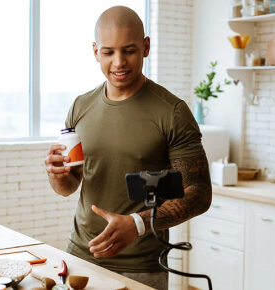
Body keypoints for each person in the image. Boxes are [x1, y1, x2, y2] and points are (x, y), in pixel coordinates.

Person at [44, 6, 212, 290]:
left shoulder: (172, 112)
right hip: (79, 254)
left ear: (146, 47)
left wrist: (136, 224)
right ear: (96, 52)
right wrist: (57, 175)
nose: (119, 62)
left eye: (129, 50)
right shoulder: (80, 107)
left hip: (140, 267)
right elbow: (70, 186)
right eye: (109, 52)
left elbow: (199, 194)